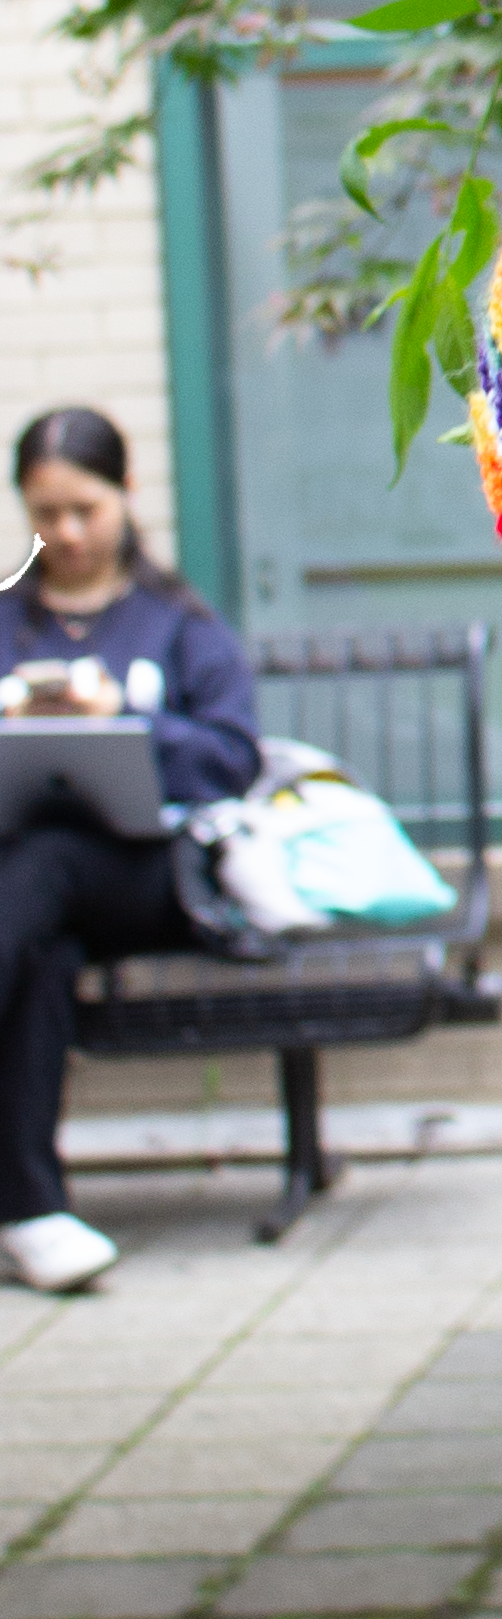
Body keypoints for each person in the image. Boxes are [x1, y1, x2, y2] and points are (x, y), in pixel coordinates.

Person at [0, 408, 260, 1292]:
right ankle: (33, 1213)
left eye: (85, 509)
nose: (66, 534)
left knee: (53, 863)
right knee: (39, 950)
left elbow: (234, 755)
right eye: (45, 512)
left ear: (126, 495)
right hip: (28, 895)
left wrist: (127, 721)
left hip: (154, 875)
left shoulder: (176, 621)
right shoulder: (9, 623)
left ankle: (30, 1214)